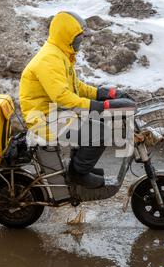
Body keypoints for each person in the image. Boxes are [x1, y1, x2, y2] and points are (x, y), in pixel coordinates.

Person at [19, 11, 135, 189]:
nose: (80, 41)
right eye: (78, 37)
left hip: (53, 114)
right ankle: (79, 173)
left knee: (98, 123)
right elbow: (63, 98)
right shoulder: (50, 59)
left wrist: (106, 94)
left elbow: (76, 87)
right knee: (101, 133)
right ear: (66, 35)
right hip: (44, 119)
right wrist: (100, 106)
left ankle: (80, 166)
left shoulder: (59, 54)